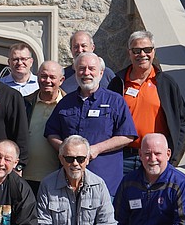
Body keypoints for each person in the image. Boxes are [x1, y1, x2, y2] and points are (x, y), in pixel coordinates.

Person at [45, 52, 137, 197]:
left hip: (105, 183)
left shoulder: (115, 101)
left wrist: (97, 149)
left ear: (101, 73)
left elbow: (127, 135)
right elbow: (51, 132)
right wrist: (67, 150)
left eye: (91, 69)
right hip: (69, 183)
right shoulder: (65, 103)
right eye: (81, 68)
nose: (86, 73)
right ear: (76, 72)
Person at [108, 30, 185, 170]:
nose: (142, 54)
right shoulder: (118, 83)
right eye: (136, 50)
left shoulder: (166, 84)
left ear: (153, 52)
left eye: (147, 49)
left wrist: (173, 158)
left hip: (155, 158)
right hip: (123, 158)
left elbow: (181, 122)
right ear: (129, 53)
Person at [22, 60, 65, 193]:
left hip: (57, 178)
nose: (47, 80)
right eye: (43, 76)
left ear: (61, 80)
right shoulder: (24, 103)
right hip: (25, 177)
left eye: (52, 77)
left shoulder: (68, 105)